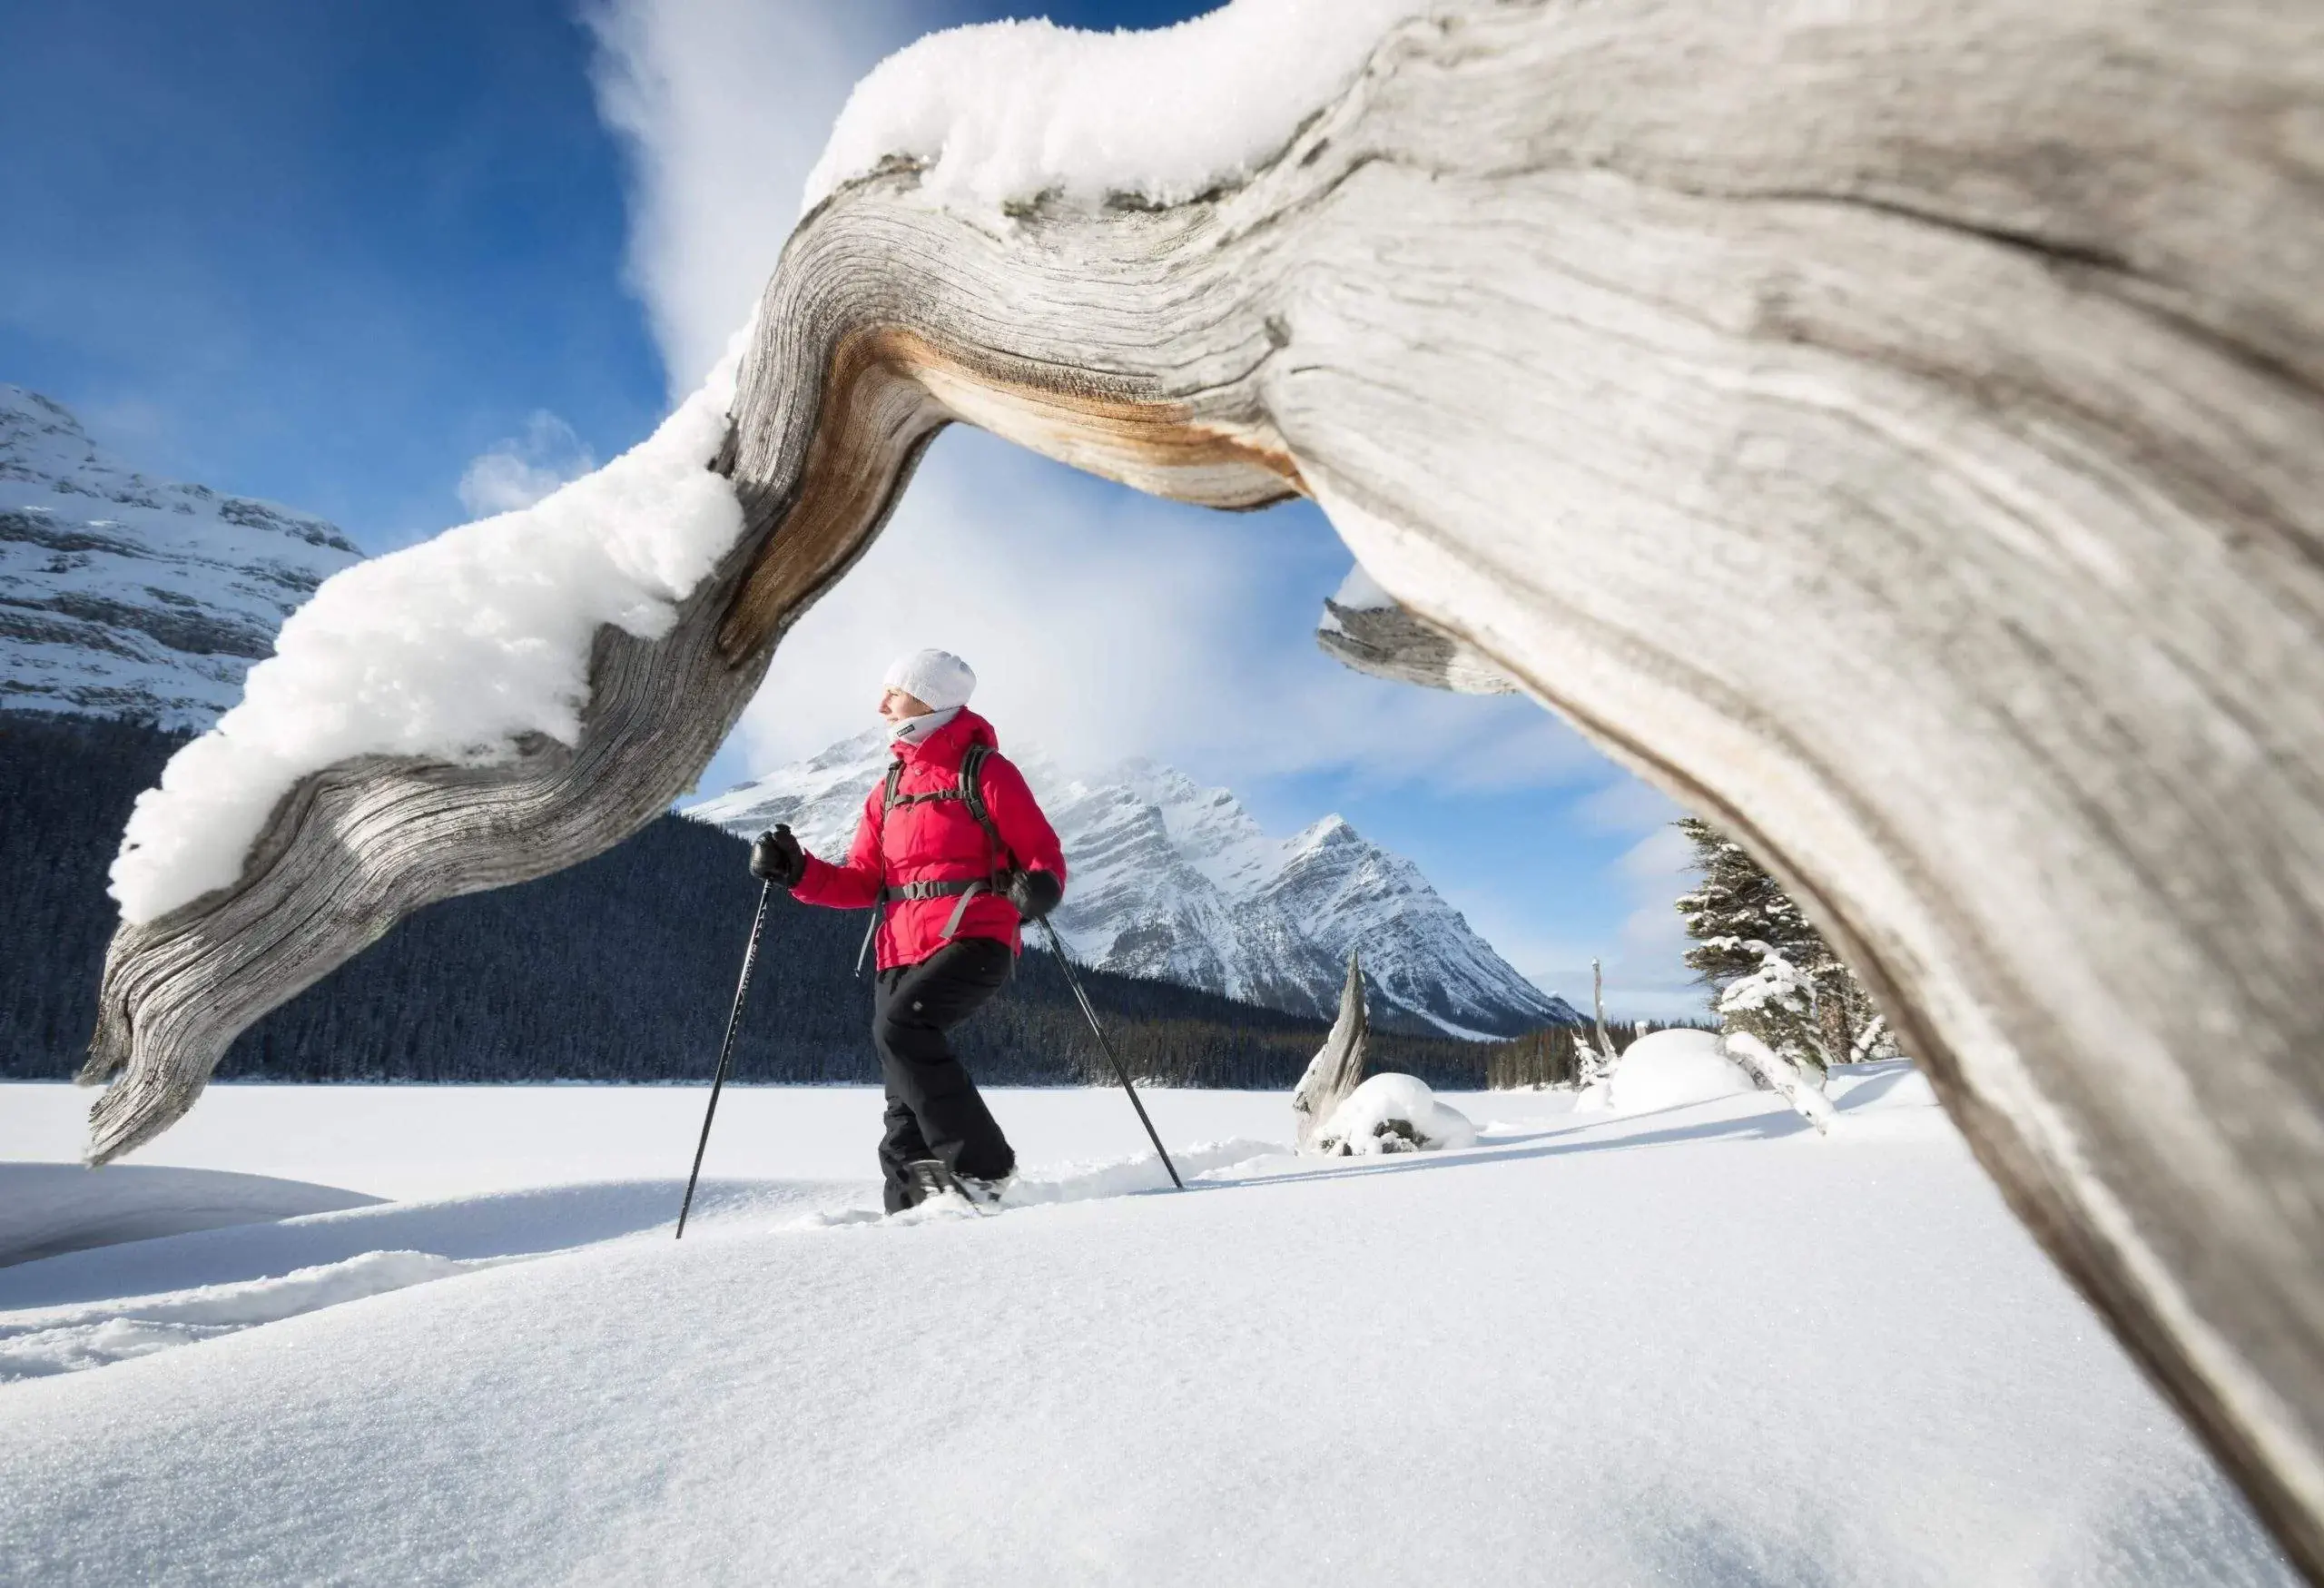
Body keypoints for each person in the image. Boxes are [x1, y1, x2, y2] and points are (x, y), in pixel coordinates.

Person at [749, 649, 1067, 1212]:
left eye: (892, 693)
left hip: (975, 936)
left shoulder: (987, 772)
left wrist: (1040, 888)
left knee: (902, 1032)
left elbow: (1041, 854)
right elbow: (860, 881)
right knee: (902, 1096)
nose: (881, 706)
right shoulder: (889, 790)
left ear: (928, 698)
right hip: (896, 951)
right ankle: (913, 1208)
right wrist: (797, 870)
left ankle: (982, 1171)